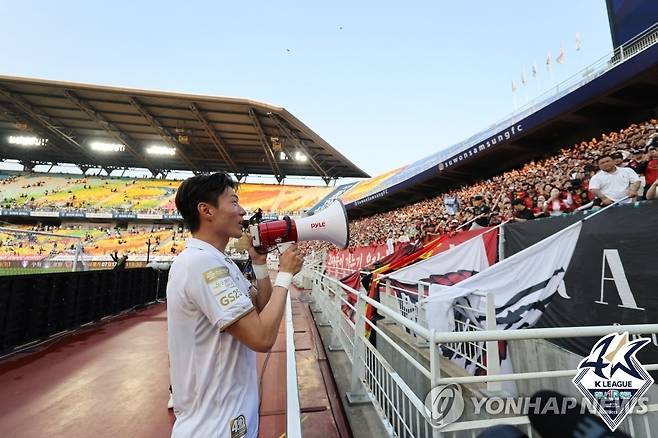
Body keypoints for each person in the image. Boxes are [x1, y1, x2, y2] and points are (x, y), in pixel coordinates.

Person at [166, 172, 303, 438]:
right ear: (206, 210)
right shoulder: (201, 264)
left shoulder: (218, 261)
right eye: (233, 202)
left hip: (229, 416)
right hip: (214, 426)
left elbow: (259, 311)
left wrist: (261, 266)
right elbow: (262, 337)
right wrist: (285, 275)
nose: (242, 211)